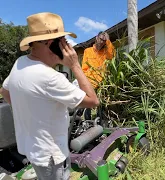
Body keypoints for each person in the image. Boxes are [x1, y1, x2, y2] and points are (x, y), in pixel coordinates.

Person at [0, 12, 99, 180]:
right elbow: (93, 100)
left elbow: (5, 90)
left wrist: (26, 112)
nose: (67, 46)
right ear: (51, 44)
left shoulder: (21, 63)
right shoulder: (49, 77)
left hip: (33, 149)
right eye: (64, 42)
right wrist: (75, 65)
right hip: (52, 155)